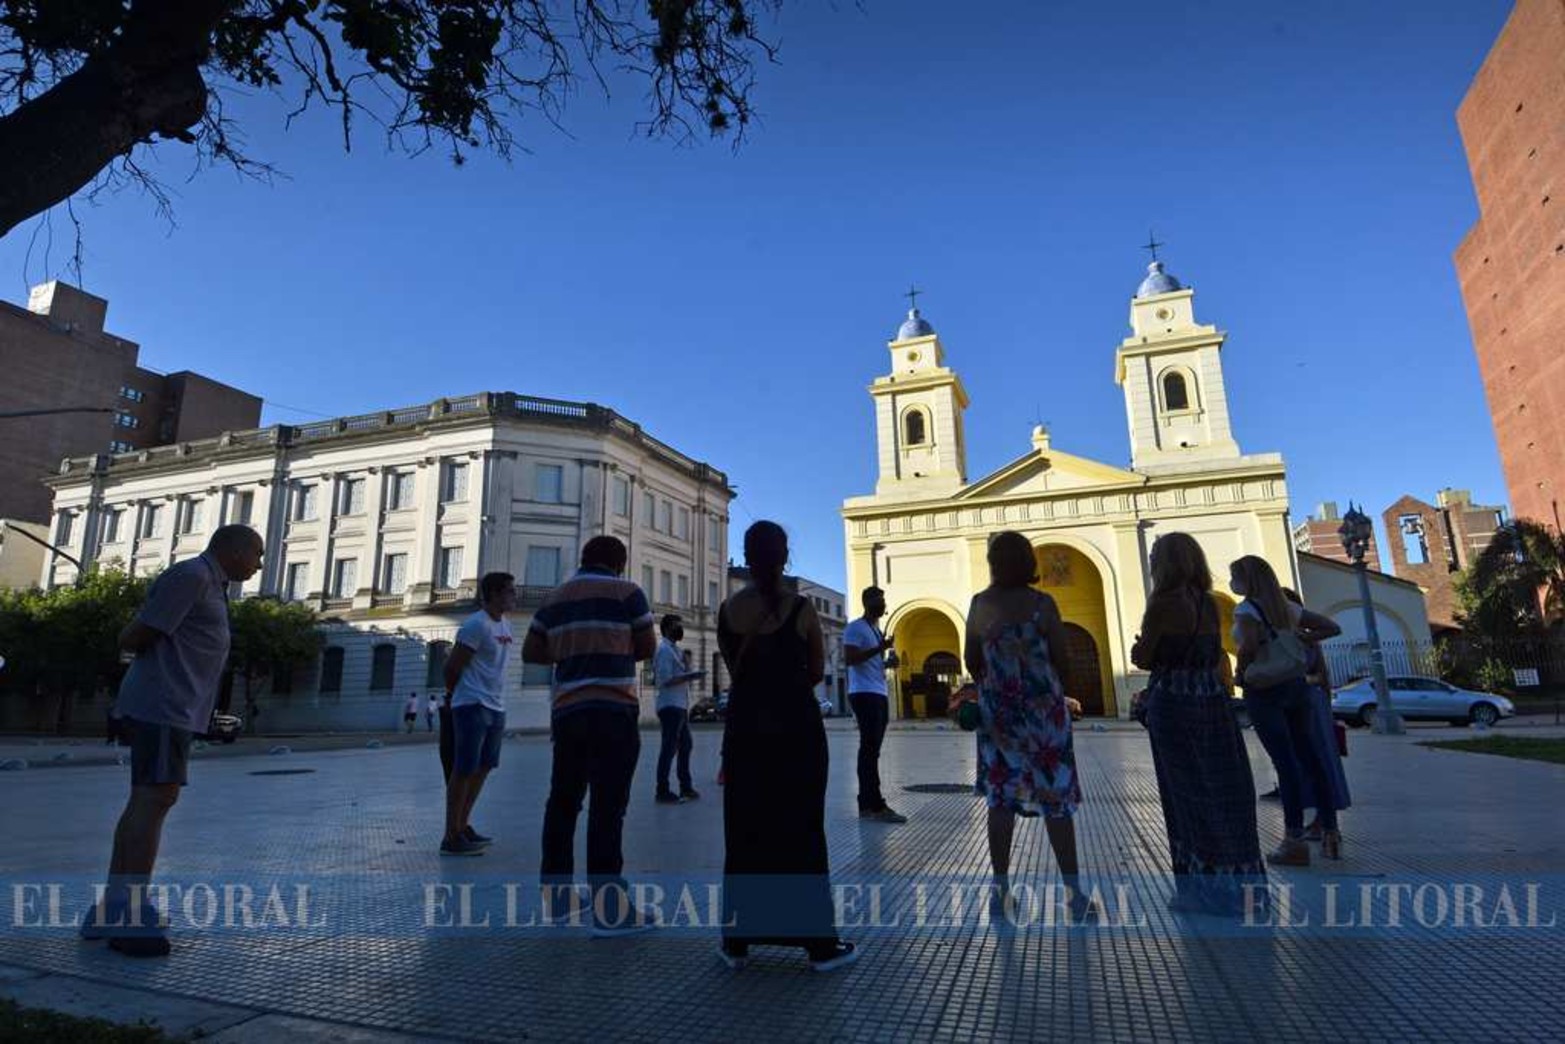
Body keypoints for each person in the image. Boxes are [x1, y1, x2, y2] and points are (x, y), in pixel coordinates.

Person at [81, 525, 264, 957]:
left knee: (147, 801)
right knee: (152, 800)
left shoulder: (210, 584)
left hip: (173, 708)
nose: (259, 564)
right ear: (234, 551)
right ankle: (127, 912)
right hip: (164, 706)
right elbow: (137, 633)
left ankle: (113, 906)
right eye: (256, 554)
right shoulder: (193, 577)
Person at [718, 521, 857, 972]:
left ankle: (738, 940)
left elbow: (736, 670)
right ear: (785, 557)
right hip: (795, 728)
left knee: (745, 830)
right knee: (801, 829)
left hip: (745, 730)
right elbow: (816, 670)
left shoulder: (728, 610)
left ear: (747, 552)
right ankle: (818, 943)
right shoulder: (802, 610)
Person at [524, 536, 658, 936]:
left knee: (563, 802)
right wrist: (610, 647)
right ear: (619, 563)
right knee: (607, 806)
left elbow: (532, 651)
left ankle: (559, 899)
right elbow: (646, 646)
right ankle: (609, 909)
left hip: (568, 712)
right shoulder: (628, 592)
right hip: (613, 711)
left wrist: (570, 652)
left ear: (583, 559)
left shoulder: (553, 599)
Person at [1130, 533, 1267, 915]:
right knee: (1225, 792)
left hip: (1175, 702)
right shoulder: (1208, 604)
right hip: (1211, 701)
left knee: (1185, 798)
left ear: (1167, 563)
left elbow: (1146, 658)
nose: (1152, 559)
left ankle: (1198, 892)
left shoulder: (1162, 603)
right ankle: (1241, 887)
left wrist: (1140, 649)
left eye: (1156, 554)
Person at [963, 531, 1092, 921]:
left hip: (999, 715)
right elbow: (1061, 658)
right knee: (1056, 801)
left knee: (1000, 800)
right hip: (1044, 717)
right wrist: (1049, 687)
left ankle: (1000, 891)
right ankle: (1074, 895)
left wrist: (997, 681)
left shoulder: (981, 604)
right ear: (1030, 563)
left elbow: (971, 658)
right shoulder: (1043, 604)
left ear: (993, 563)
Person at [1229, 556, 1344, 865]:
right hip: (1296, 687)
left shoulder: (1247, 609)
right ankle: (1331, 834)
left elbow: (1249, 646)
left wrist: (1240, 672)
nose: (1231, 583)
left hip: (1264, 690)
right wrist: (1303, 637)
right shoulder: (1289, 609)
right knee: (1312, 759)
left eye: (1234, 577)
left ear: (1247, 580)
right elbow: (1332, 627)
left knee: (1286, 764)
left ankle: (1293, 840)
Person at [440, 572, 517, 857]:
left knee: (483, 767)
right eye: (509, 591)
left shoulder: (505, 625)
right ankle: (451, 834)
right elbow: (452, 667)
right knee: (463, 769)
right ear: (494, 594)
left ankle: (463, 825)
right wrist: (454, 696)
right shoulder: (475, 625)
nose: (514, 595)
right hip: (472, 704)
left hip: (496, 705)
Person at [1283, 588, 1351, 842]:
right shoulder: (1282, 636)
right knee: (1300, 763)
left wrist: (1297, 679)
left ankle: (1325, 820)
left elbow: (1322, 677)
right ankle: (1317, 820)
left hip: (1311, 705)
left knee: (1320, 759)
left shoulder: (1307, 638)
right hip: (1294, 704)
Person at [844, 586, 905, 823]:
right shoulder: (855, 628)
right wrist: (879, 649)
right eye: (878, 600)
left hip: (878, 692)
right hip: (863, 694)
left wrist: (888, 662)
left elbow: (871, 662)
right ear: (867, 601)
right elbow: (850, 659)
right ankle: (872, 804)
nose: (882, 603)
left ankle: (871, 803)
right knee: (868, 750)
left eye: (883, 599)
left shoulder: (875, 630)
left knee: (872, 751)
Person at [653, 614, 700, 803]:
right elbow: (664, 680)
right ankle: (662, 790)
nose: (680, 628)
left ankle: (685, 787)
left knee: (685, 746)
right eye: (676, 626)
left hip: (679, 705)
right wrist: (689, 677)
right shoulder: (664, 650)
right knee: (669, 748)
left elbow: (682, 672)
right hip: (670, 705)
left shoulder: (675, 650)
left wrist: (688, 668)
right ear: (666, 628)